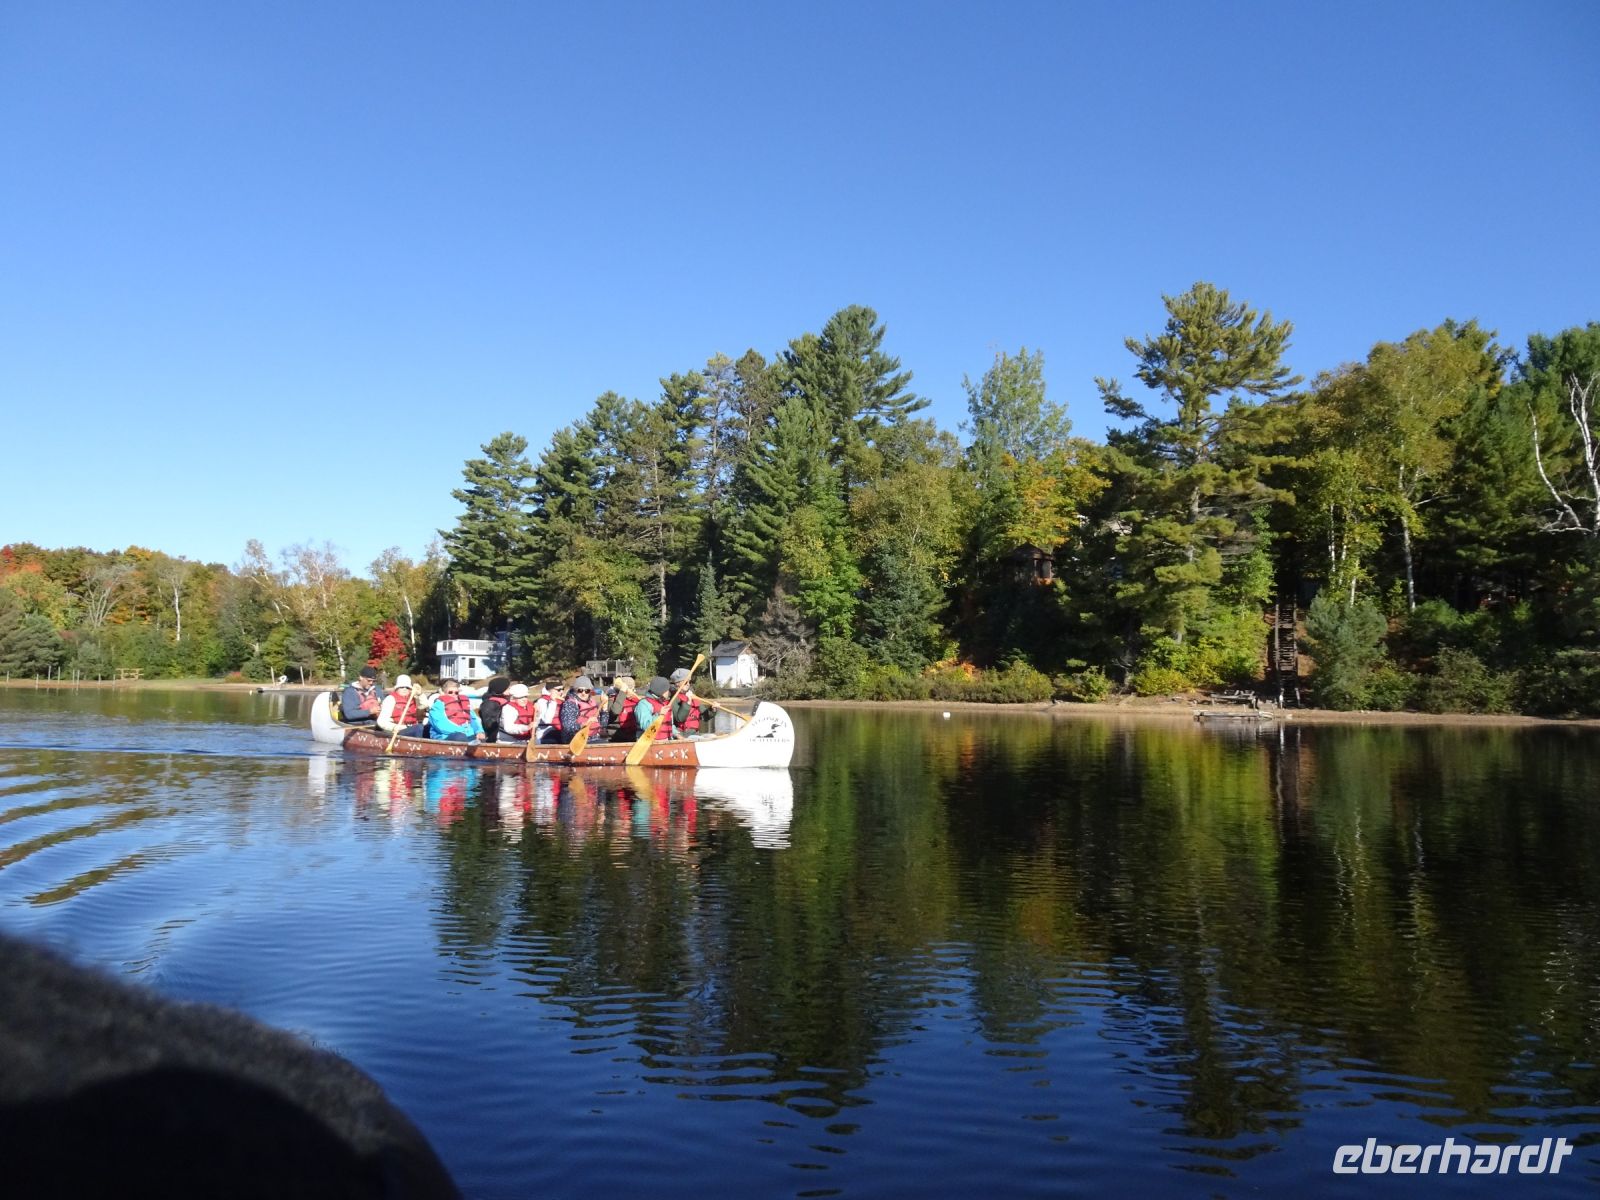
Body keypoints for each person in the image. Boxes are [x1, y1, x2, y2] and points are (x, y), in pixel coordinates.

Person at [428, 677, 483, 742]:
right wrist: (462, 730)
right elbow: (440, 725)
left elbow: (473, 720)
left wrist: (479, 731)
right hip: (445, 736)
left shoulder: (463, 703)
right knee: (460, 737)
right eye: (450, 692)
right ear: (444, 693)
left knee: (481, 739)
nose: (454, 694)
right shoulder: (438, 705)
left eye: (456, 693)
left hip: (466, 735)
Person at [377, 675, 429, 739]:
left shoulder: (414, 698)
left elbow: (425, 705)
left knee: (428, 727)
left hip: (412, 728)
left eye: (407, 687)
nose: (404, 689)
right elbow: (381, 722)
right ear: (397, 688)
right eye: (401, 687)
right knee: (419, 728)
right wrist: (394, 727)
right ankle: (420, 747)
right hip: (397, 731)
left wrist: (420, 694)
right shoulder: (390, 699)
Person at [558, 675, 601, 744]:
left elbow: (601, 723)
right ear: (575, 690)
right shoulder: (570, 704)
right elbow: (568, 727)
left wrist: (605, 711)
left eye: (587, 691)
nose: (583, 693)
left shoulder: (592, 702)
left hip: (594, 738)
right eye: (580, 690)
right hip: (575, 740)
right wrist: (583, 724)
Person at [632, 676, 676, 742]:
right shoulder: (643, 704)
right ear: (662, 691)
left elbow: (669, 725)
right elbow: (646, 726)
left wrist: (678, 735)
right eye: (667, 690)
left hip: (666, 742)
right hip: (648, 743)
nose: (669, 692)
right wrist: (659, 714)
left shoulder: (665, 703)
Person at [669, 667, 703, 735]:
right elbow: (680, 719)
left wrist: (712, 709)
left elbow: (705, 716)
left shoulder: (692, 695)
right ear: (677, 683)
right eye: (685, 682)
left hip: (695, 732)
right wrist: (688, 702)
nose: (688, 684)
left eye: (689, 682)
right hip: (681, 733)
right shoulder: (674, 698)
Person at [477, 676, 511, 743]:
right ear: (501, 689)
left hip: (508, 734)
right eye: (508, 688)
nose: (510, 690)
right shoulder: (489, 704)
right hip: (495, 738)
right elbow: (489, 725)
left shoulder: (506, 701)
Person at [533, 680, 565, 744]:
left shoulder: (563, 700)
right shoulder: (541, 702)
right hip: (545, 734)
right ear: (550, 690)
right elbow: (547, 720)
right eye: (558, 690)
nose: (561, 692)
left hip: (560, 732)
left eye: (562, 689)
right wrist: (552, 702)